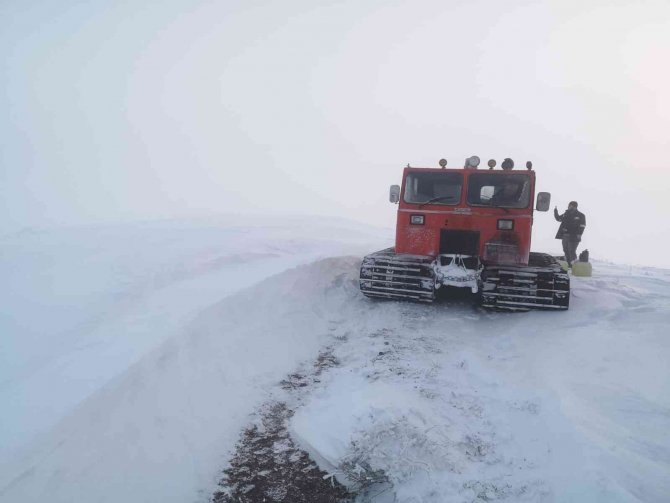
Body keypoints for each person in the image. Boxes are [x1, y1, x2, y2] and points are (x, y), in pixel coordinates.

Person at [554, 201, 586, 267]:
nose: (570, 207)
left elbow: (582, 225)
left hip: (574, 236)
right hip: (565, 236)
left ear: (575, 207)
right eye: (569, 206)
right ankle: (568, 264)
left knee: (572, 251)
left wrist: (579, 234)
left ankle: (574, 265)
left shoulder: (581, 215)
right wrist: (555, 211)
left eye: (572, 206)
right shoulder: (566, 214)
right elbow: (558, 219)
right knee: (565, 250)